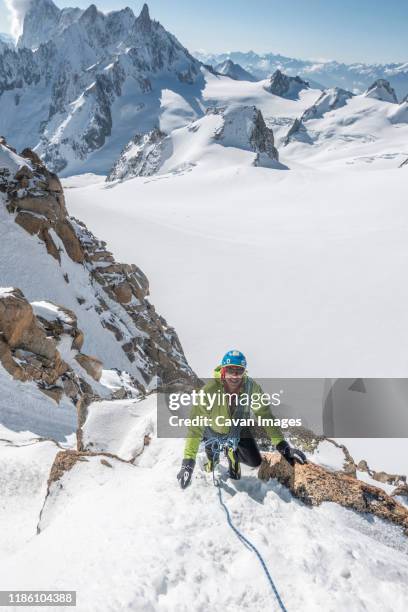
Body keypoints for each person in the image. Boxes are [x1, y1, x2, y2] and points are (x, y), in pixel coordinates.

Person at [177, 350, 307, 489]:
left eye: (238, 371)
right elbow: (195, 426)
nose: (234, 375)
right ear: (223, 371)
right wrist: (188, 462)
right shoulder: (209, 390)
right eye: (230, 370)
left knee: (255, 461)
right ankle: (212, 461)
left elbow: (264, 414)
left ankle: (232, 452)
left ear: (244, 372)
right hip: (212, 430)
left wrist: (282, 445)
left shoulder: (251, 388)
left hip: (237, 431)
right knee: (212, 462)